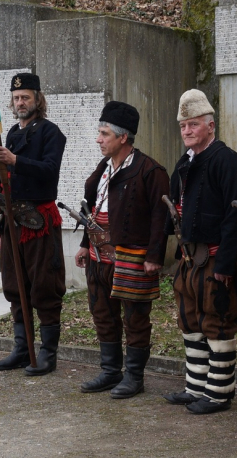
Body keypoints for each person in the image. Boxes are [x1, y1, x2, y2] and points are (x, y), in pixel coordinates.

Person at [75, 101, 170, 398]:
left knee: (135, 317)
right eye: (99, 132)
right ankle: (109, 371)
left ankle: (134, 376)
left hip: (132, 257)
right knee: (102, 314)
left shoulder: (150, 171)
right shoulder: (104, 167)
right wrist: (83, 244)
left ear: (123, 138)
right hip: (97, 255)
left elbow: (160, 216)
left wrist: (154, 256)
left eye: (104, 133)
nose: (98, 139)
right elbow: (92, 208)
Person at [162, 89, 237, 414]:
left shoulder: (227, 161)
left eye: (193, 124)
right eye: (183, 126)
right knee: (191, 321)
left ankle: (219, 393)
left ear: (210, 126)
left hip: (216, 258)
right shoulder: (185, 162)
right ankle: (196, 387)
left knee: (219, 320)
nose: (187, 131)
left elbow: (234, 215)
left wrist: (225, 263)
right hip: (190, 260)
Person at [0, 73, 67, 376]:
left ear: (38, 99)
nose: (20, 102)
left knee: (44, 286)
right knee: (14, 284)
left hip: (40, 222)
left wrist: (14, 161)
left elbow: (49, 170)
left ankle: (48, 353)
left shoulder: (51, 133)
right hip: (13, 222)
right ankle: (23, 348)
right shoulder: (10, 132)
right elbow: (8, 175)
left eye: (25, 97)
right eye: (16, 98)